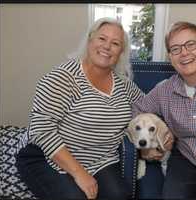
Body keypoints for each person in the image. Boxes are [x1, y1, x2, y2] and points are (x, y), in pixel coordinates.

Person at [15, 17, 144, 200]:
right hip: (46, 155)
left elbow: (148, 108)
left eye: (115, 43)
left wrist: (154, 142)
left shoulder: (124, 84)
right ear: (90, 40)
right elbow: (41, 129)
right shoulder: (63, 78)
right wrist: (79, 173)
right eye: (102, 39)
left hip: (100, 159)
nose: (107, 46)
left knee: (120, 195)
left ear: (121, 52)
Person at [132, 21, 196, 199]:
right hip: (186, 158)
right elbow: (136, 112)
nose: (184, 52)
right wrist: (146, 146)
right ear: (171, 57)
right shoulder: (165, 90)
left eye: (191, 44)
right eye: (175, 49)